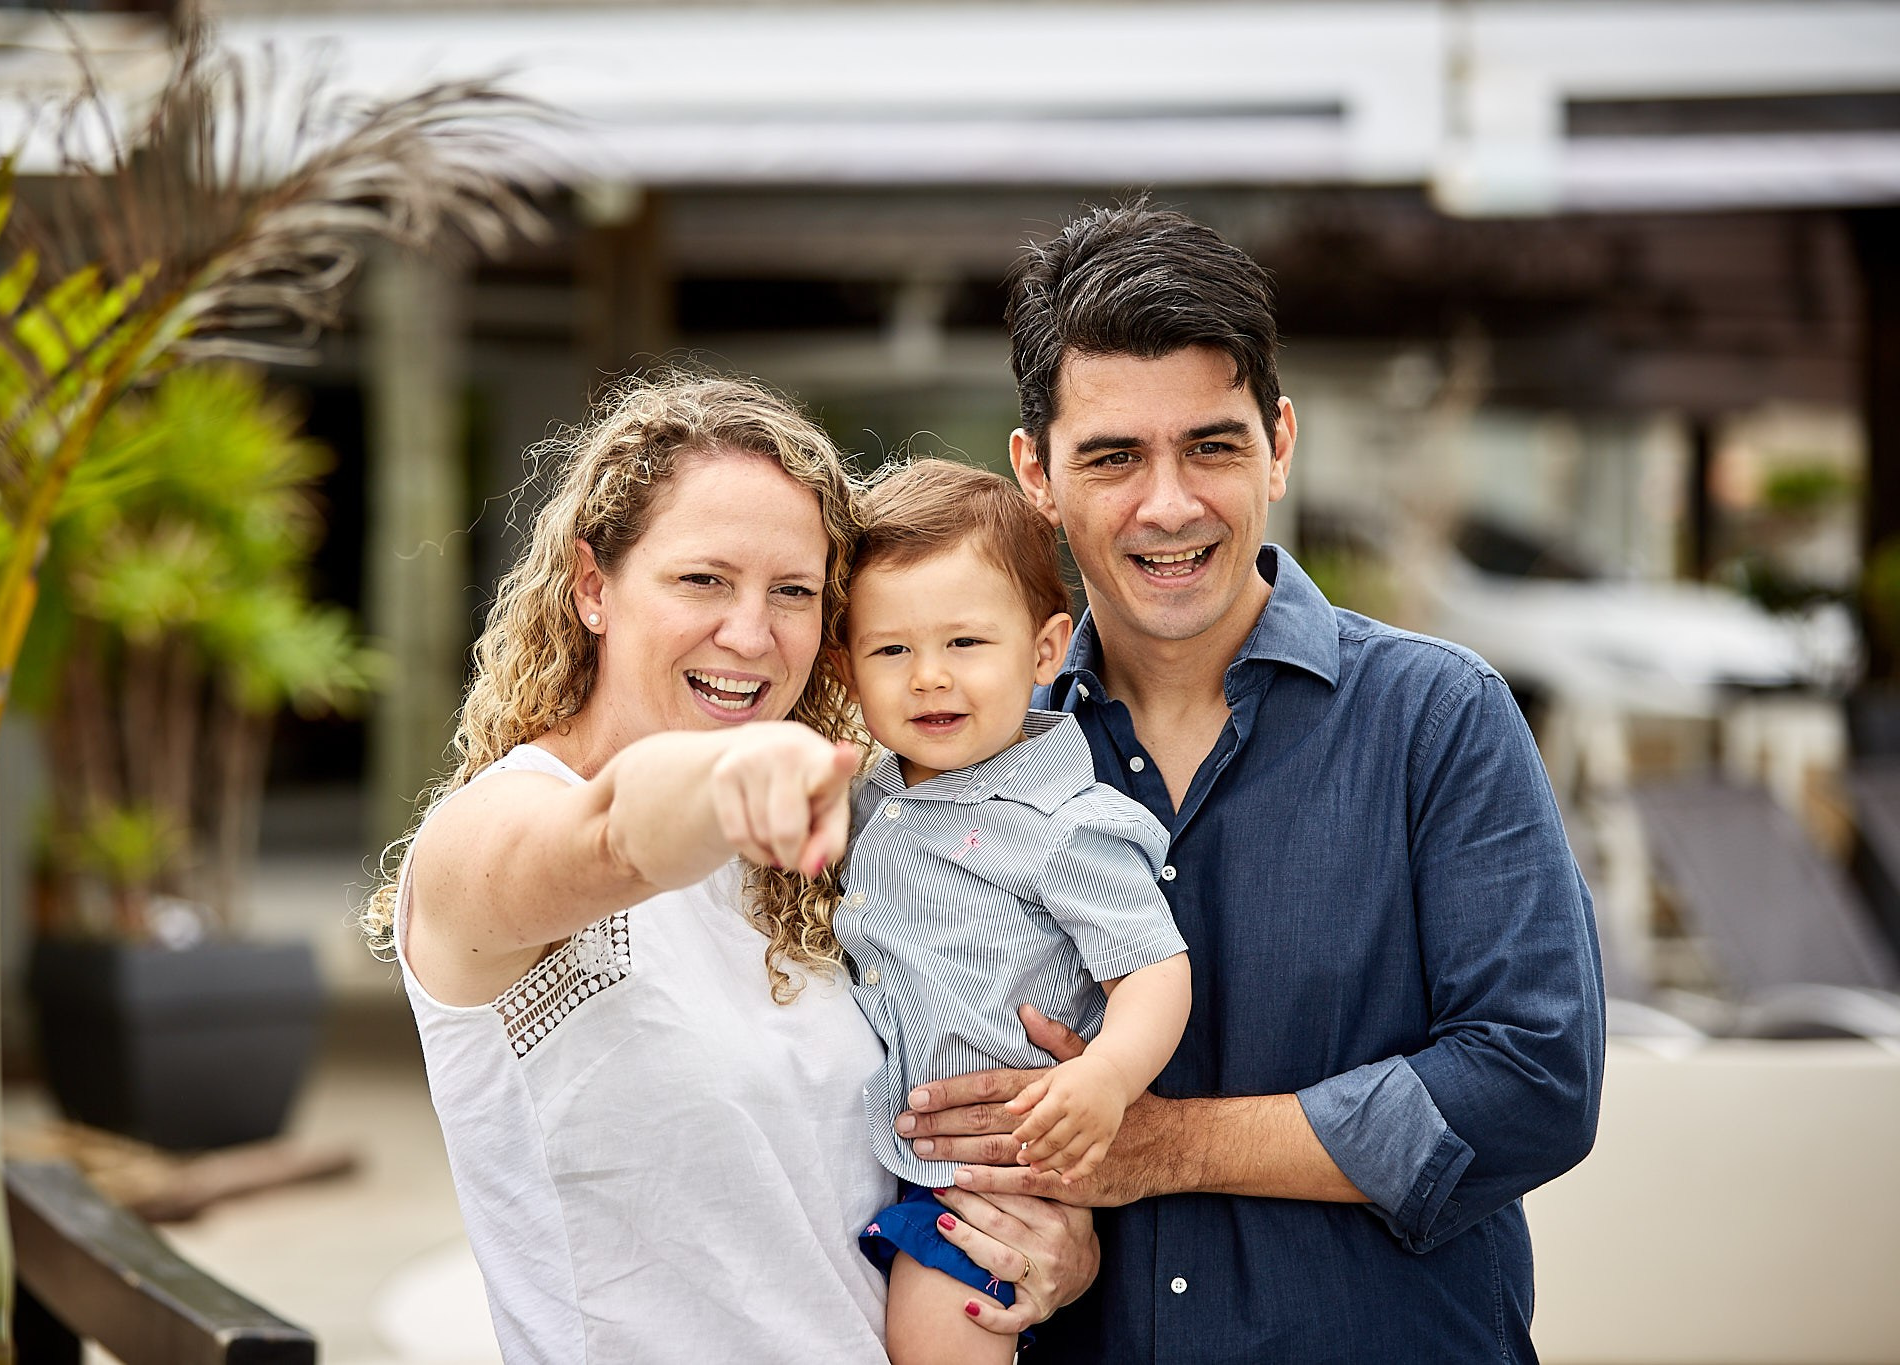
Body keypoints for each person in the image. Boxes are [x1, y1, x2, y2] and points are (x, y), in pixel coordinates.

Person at [893, 202, 1607, 1361]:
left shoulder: (1437, 718)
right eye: (1112, 457)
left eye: (1211, 447)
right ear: (1035, 474)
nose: (1168, 504)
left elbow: (1532, 1083)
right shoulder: (959, 765)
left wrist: (1163, 1145)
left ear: (1277, 443)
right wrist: (1032, 1241)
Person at [359, 374, 1097, 1364]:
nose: (751, 635)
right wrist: (729, 780)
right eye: (703, 580)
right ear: (592, 588)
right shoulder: (489, 834)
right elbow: (613, 835)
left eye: (792, 592)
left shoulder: (846, 837)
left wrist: (1043, 1242)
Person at [836, 460, 1192, 1365]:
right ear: (845, 663)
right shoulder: (865, 797)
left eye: (965, 642)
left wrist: (1106, 1076)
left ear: (1044, 650)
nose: (929, 678)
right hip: (882, 1161)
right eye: (890, 650)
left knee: (932, 1340)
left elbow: (1154, 968)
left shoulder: (1064, 824)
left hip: (994, 1184)